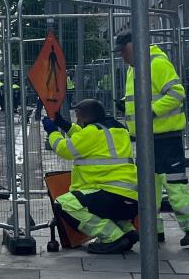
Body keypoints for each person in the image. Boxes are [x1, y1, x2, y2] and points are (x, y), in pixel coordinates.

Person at [114, 32, 189, 246]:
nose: (121, 56)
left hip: (165, 136)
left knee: (175, 183)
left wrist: (150, 112)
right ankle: (152, 229)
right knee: (149, 185)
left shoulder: (156, 64)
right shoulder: (134, 68)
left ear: (135, 46)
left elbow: (177, 93)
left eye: (123, 51)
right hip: (148, 137)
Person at [43, 99, 139, 254]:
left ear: (86, 117)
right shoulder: (118, 129)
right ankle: (128, 232)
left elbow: (64, 149)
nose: (78, 120)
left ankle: (113, 237)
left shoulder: (92, 133)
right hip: (130, 199)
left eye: (79, 116)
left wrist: (53, 132)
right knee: (97, 201)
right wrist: (65, 125)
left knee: (64, 205)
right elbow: (86, 137)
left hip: (111, 196)